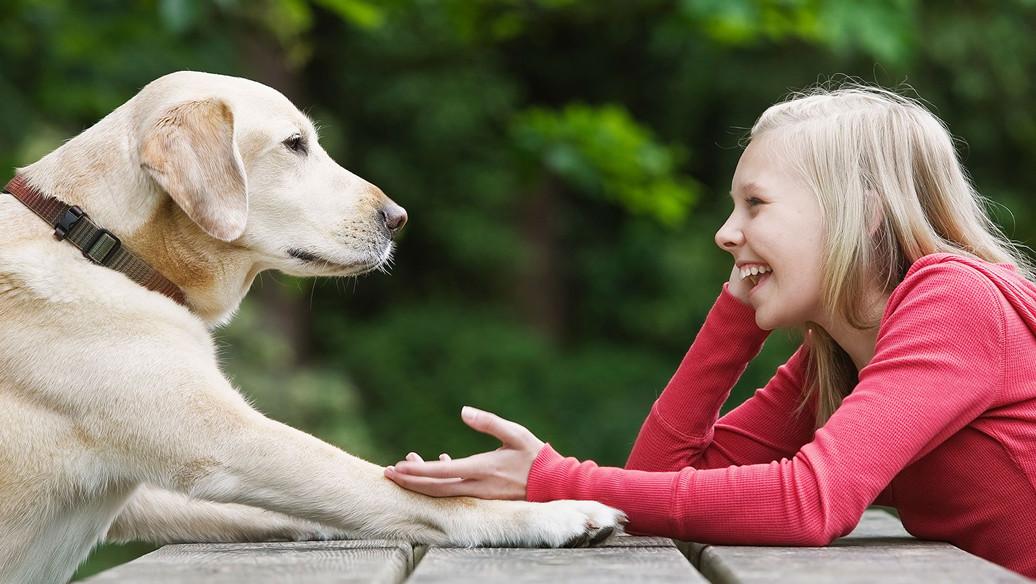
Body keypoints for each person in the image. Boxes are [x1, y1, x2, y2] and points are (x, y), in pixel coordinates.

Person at [383, 83, 1036, 577]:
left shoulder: (955, 299)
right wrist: (736, 314)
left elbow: (810, 502)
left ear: (860, 214)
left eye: (755, 204)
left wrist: (554, 481)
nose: (725, 232)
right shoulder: (838, 354)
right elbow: (659, 480)